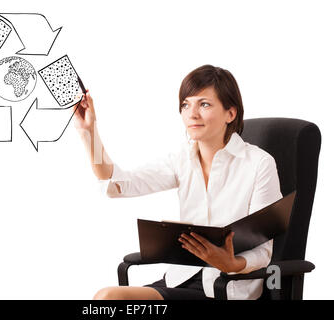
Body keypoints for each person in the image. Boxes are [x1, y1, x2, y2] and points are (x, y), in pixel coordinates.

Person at [73, 65, 282, 300]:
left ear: (230, 114)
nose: (191, 114)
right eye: (185, 104)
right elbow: (119, 184)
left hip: (227, 288)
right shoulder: (183, 158)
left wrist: (232, 263)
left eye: (204, 104)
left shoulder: (259, 164)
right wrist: (89, 132)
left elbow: (264, 251)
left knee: (110, 298)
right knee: (108, 299)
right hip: (179, 280)